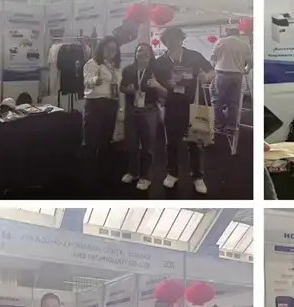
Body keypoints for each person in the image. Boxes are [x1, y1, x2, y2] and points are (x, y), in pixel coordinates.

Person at [155, 26, 216, 195]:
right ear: (165, 42)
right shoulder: (160, 61)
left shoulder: (194, 56)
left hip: (192, 104)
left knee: (195, 141)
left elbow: (212, 70)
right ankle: (172, 173)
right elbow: (156, 80)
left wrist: (206, 77)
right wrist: (164, 86)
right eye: (168, 39)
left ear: (181, 39)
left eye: (176, 38)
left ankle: (198, 176)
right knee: (171, 142)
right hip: (171, 105)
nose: (172, 42)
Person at [120, 43, 167, 191]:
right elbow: (121, 87)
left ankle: (146, 177)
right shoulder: (128, 70)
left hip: (149, 111)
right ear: (135, 53)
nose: (142, 53)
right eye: (139, 50)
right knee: (131, 144)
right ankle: (133, 172)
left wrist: (156, 85)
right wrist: (128, 90)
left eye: (146, 51)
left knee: (148, 146)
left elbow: (165, 92)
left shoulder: (157, 70)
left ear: (151, 54)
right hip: (131, 110)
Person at [82, 36, 122, 191]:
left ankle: (103, 172)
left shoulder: (115, 66)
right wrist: (94, 80)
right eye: (108, 49)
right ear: (101, 48)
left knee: (106, 140)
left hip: (111, 103)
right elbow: (87, 80)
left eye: (114, 49)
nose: (111, 52)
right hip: (96, 104)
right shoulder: (93, 63)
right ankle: (89, 175)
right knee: (91, 140)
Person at [211, 28, 252, 132]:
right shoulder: (244, 44)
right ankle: (231, 126)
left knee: (217, 101)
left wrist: (215, 66)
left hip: (222, 74)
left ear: (227, 33)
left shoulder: (221, 42)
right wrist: (247, 70)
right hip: (237, 75)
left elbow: (213, 58)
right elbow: (251, 61)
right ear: (238, 34)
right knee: (233, 102)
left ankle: (219, 125)